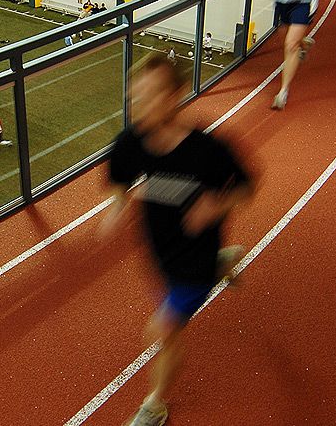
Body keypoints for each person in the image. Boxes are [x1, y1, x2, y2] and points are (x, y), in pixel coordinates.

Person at [102, 54, 254, 426]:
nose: (141, 106)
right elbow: (119, 184)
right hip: (160, 253)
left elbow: (248, 187)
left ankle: (154, 405)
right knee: (168, 311)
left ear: (176, 95)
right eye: (135, 97)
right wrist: (117, 208)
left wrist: (216, 206)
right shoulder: (130, 144)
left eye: (152, 95)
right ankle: (224, 263)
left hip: (194, 259)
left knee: (165, 330)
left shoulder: (207, 150)